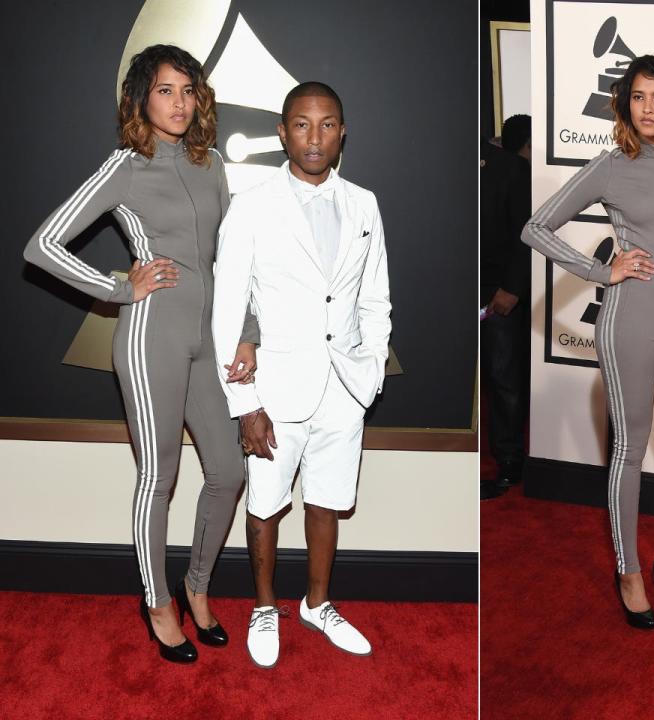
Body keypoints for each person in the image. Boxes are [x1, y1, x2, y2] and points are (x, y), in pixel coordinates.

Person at [23, 44, 259, 663]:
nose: (178, 103)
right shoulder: (126, 165)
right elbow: (42, 245)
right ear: (140, 98)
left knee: (229, 473)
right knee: (160, 476)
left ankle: (196, 586)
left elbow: (231, 263)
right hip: (151, 333)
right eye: (164, 90)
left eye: (187, 90)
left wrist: (248, 330)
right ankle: (156, 602)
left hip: (209, 342)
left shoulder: (210, 165)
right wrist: (118, 287)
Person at [522, 56, 654, 628]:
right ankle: (628, 570)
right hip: (629, 321)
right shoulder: (612, 166)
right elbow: (536, 226)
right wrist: (601, 270)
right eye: (637, 97)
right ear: (624, 104)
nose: (646, 108)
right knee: (630, 448)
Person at [211, 82, 391, 669]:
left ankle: (318, 603)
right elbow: (228, 306)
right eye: (302, 124)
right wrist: (245, 403)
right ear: (284, 131)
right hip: (276, 388)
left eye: (328, 124)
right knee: (265, 503)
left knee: (328, 499)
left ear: (343, 132)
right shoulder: (253, 204)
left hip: (345, 385)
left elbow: (375, 300)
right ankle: (265, 606)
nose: (315, 137)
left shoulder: (364, 203)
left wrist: (370, 375)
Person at [480, 114, 532, 499]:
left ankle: (509, 461)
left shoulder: (511, 168)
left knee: (503, 379)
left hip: (498, 294)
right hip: (451, 291)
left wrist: (512, 289)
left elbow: (526, 233)